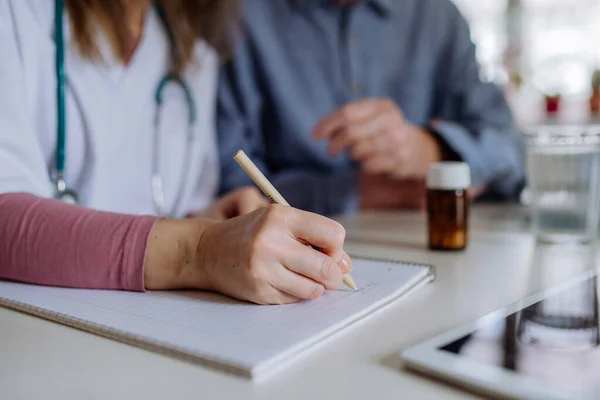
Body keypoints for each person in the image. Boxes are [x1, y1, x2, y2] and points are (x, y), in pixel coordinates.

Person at [0, 0, 352, 305]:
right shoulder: (17, 13)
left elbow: (161, 209)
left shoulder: (189, 50)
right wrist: (198, 249)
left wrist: (209, 219)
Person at [217, 0, 526, 216]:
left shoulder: (437, 16)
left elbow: (513, 157)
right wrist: (366, 193)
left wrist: (429, 150)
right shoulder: (239, 17)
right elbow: (232, 191)